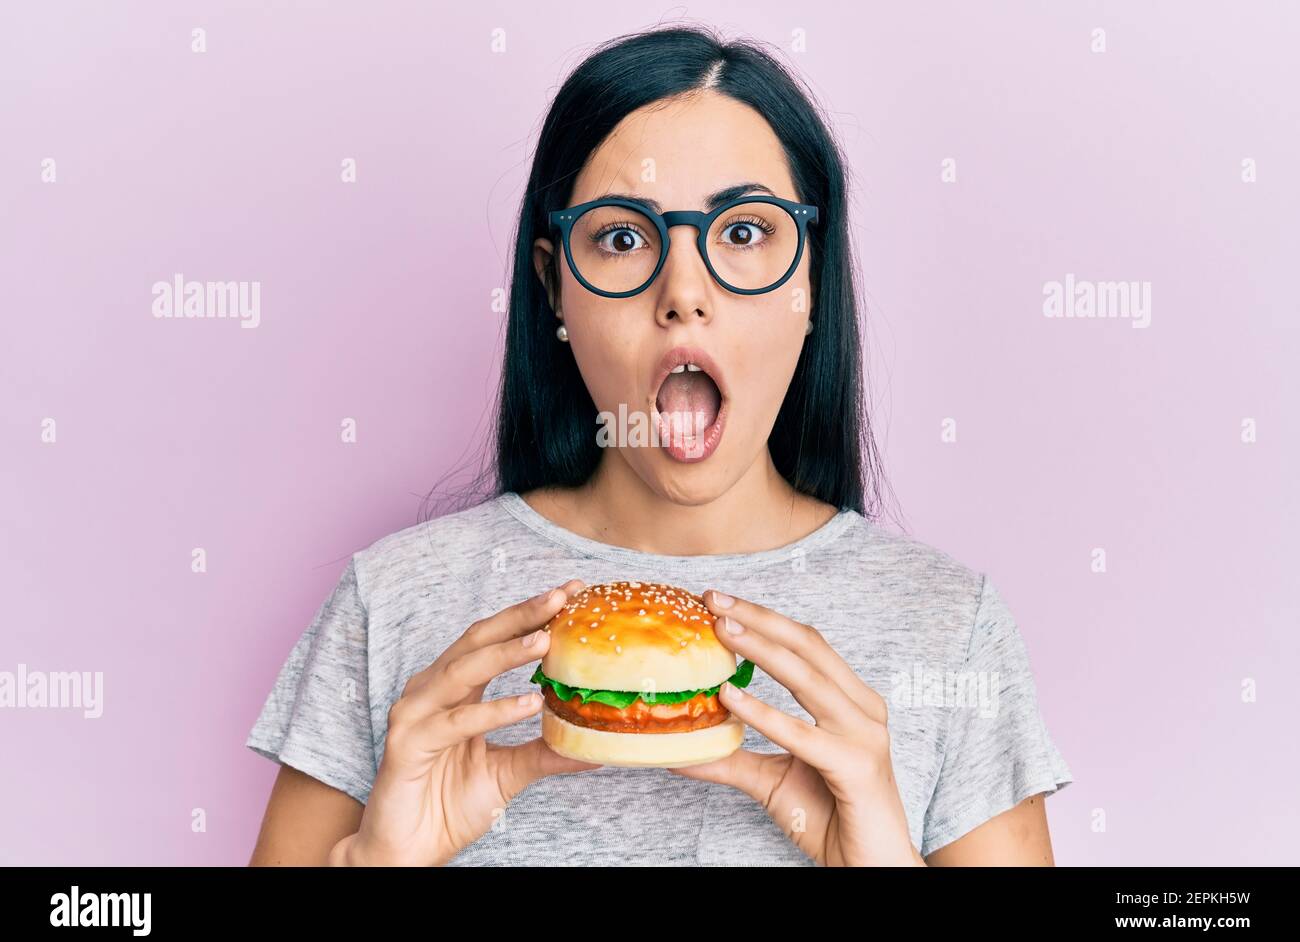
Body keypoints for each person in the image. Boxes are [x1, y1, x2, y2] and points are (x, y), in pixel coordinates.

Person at [246, 25, 1072, 866]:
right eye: (622, 237)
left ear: (812, 285)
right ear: (553, 287)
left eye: (745, 233)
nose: (684, 293)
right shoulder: (393, 603)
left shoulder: (948, 627)